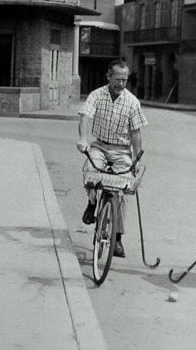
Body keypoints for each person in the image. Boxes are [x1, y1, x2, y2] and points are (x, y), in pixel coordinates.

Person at [76, 59, 147, 257]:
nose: (121, 84)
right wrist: (83, 139)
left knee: (123, 189)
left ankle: (117, 238)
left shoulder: (132, 102)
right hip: (99, 145)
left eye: (125, 80)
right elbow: (85, 118)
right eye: (118, 79)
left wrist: (136, 159)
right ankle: (91, 204)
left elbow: (136, 133)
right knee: (91, 172)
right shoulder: (96, 95)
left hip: (122, 150)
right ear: (108, 76)